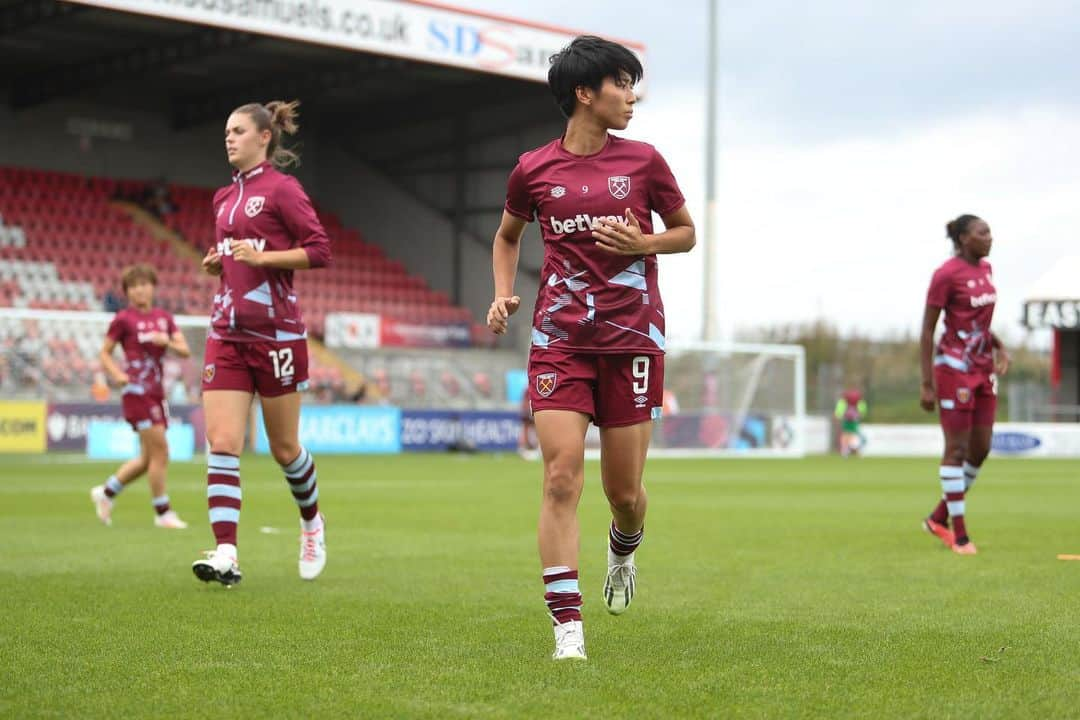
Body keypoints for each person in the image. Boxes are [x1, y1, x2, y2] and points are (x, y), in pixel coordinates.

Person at [486, 36, 696, 660]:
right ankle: (567, 628)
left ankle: (623, 552)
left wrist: (644, 246)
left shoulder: (645, 162)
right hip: (559, 341)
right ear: (586, 92)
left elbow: (686, 234)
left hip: (632, 340)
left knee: (625, 496)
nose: (632, 96)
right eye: (622, 84)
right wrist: (502, 293)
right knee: (559, 480)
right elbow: (506, 238)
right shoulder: (533, 168)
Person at [192, 99, 331, 586]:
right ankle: (227, 552)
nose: (228, 138)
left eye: (237, 131)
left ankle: (312, 523)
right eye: (226, 131)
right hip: (226, 334)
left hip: (278, 336)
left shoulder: (283, 190)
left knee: (284, 448)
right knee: (223, 441)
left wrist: (264, 257)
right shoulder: (221, 199)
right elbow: (236, 260)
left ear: (263, 137)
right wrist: (219, 262)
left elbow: (320, 250)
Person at [919, 214, 1009, 555]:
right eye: (982, 232)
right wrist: (927, 383)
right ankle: (959, 535)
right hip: (954, 370)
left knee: (981, 447)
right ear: (963, 239)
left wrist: (998, 344)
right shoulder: (946, 275)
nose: (990, 237)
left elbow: (977, 322)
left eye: (989, 230)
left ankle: (937, 517)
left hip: (983, 368)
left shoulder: (986, 270)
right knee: (955, 449)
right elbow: (928, 330)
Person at [90, 264, 190, 529]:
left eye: (144, 284)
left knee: (148, 459)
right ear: (127, 292)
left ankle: (106, 492)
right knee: (162, 452)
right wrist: (117, 375)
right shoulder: (123, 319)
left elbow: (184, 350)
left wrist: (165, 341)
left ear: (153, 287)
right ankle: (163, 513)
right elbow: (104, 352)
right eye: (133, 286)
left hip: (157, 392)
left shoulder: (164, 318)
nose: (140, 290)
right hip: (136, 392)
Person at [834, 387, 867, 457]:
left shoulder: (844, 402)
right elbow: (862, 411)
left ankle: (848, 450)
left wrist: (840, 416)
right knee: (850, 435)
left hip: (848, 420)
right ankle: (852, 450)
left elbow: (838, 413)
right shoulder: (858, 402)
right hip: (852, 420)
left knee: (848, 435)